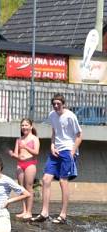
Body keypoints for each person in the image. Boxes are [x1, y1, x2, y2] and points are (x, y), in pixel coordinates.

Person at [33, 94, 82, 224]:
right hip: (56, 150)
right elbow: (54, 132)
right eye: (54, 104)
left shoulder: (70, 116)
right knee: (45, 179)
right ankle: (44, 212)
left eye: (58, 104)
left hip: (68, 150)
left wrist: (72, 152)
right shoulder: (52, 115)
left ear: (63, 104)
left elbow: (79, 135)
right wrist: (52, 146)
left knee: (62, 181)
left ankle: (63, 215)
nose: (56, 106)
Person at [8, 118, 40, 220]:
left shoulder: (35, 139)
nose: (24, 127)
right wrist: (13, 155)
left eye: (26, 125)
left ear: (31, 126)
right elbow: (17, 154)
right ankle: (24, 210)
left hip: (30, 163)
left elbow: (36, 152)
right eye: (22, 125)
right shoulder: (19, 139)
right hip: (20, 164)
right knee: (21, 188)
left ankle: (29, 212)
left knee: (29, 187)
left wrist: (26, 147)